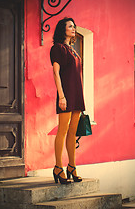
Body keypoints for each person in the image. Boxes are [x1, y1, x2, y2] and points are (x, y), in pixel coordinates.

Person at [50, 17, 85, 184]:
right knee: (62, 131)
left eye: (74, 26)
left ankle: (72, 166)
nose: (73, 28)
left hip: (77, 94)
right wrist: (61, 96)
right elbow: (56, 73)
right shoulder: (57, 48)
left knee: (73, 132)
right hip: (66, 94)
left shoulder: (73, 49)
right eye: (70, 26)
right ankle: (58, 167)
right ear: (62, 29)